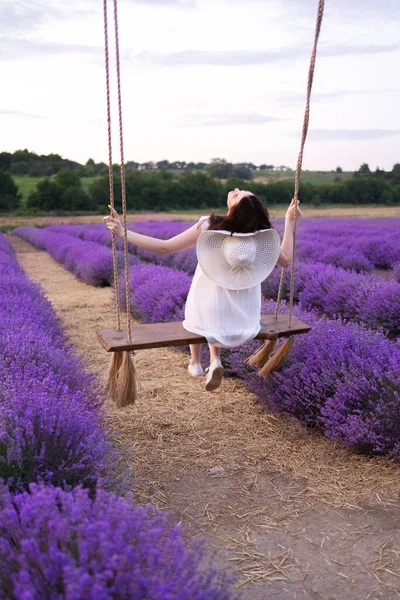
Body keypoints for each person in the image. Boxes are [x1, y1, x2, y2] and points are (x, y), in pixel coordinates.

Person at [104, 189, 301, 391]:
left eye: (237, 195)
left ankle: (196, 362)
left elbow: (164, 247)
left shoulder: (209, 225)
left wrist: (122, 232)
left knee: (198, 308)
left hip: (207, 314)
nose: (235, 190)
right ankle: (212, 361)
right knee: (213, 310)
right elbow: (286, 260)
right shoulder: (262, 236)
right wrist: (289, 222)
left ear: (234, 209)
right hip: (245, 322)